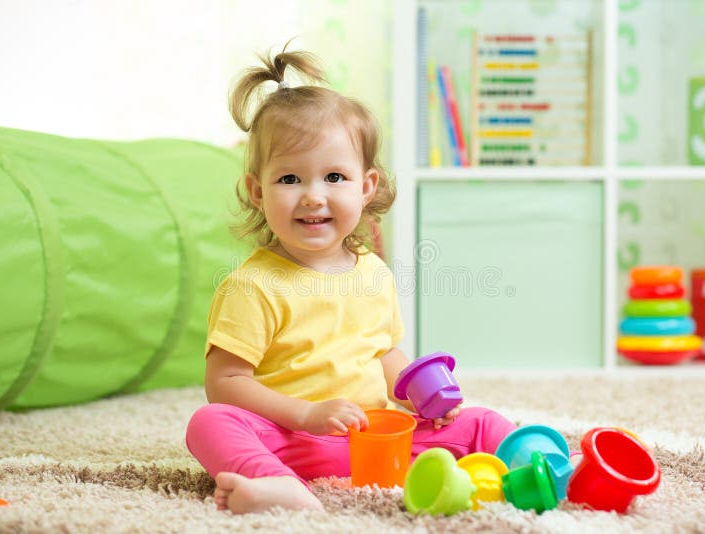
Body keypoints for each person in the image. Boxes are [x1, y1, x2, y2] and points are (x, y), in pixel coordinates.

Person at [185, 44, 517, 514]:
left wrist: (423, 398)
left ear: (366, 187)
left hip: (375, 440)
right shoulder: (252, 285)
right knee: (210, 422)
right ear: (257, 192)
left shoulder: (374, 274)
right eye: (290, 180)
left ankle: (534, 463)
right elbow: (225, 382)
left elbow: (383, 352)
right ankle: (281, 489)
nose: (313, 197)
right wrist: (306, 415)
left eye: (334, 176)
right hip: (293, 439)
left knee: (481, 422)